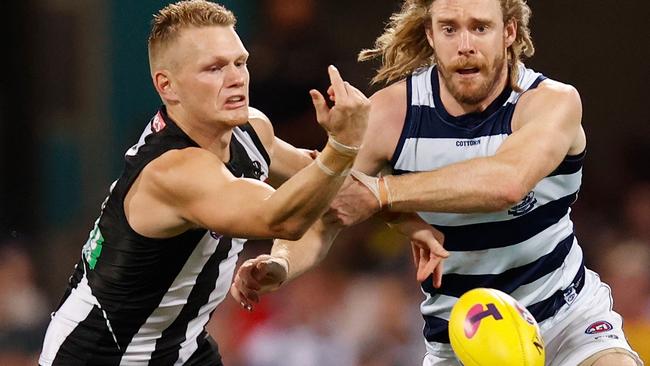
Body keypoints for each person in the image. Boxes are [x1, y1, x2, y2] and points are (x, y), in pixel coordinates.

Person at [232, 0, 644, 365]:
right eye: (449, 28)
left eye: (480, 27)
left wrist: (383, 193)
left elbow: (506, 182)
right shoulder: (392, 114)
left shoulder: (551, 102)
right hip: (463, 343)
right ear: (430, 34)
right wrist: (282, 262)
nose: (465, 44)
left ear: (509, 32)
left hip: (567, 320)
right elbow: (328, 207)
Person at [37, 0, 372, 364]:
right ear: (168, 87)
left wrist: (415, 224)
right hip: (98, 355)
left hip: (181, 347)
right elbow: (282, 218)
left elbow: (333, 191)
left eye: (240, 63)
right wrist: (342, 145)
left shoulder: (251, 129)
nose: (236, 79)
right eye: (213, 68)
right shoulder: (173, 169)